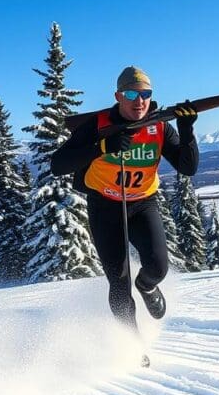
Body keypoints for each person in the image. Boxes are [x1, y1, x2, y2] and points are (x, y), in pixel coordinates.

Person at [50, 66, 199, 333]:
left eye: (145, 94)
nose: (139, 101)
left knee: (158, 266)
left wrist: (187, 131)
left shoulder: (160, 125)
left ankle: (147, 285)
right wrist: (103, 147)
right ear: (118, 96)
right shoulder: (98, 125)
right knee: (119, 281)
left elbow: (187, 168)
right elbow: (58, 164)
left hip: (143, 203)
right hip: (105, 205)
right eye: (131, 94)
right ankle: (131, 342)